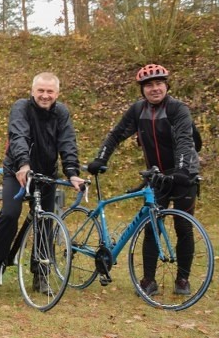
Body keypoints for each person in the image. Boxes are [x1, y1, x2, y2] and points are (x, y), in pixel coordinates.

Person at [86, 64, 200, 296]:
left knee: (183, 226)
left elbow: (184, 142)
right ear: (142, 90)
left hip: (183, 173)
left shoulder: (178, 109)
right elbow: (116, 134)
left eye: (159, 84)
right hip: (157, 175)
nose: (154, 88)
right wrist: (101, 158)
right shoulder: (138, 110)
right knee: (151, 226)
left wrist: (180, 171)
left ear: (167, 85)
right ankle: (148, 280)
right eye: (149, 85)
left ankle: (183, 279)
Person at [0, 72, 85, 292]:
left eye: (49, 91)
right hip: (17, 170)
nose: (45, 95)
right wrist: (24, 165)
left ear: (57, 93)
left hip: (46, 173)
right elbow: (18, 135)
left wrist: (72, 172)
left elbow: (67, 142)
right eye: (41, 90)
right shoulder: (21, 107)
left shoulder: (62, 113)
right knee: (10, 213)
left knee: (44, 223)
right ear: (32, 91)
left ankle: (41, 274)